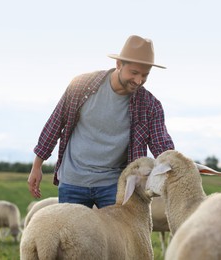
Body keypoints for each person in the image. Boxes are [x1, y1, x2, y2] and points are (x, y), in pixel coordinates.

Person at [27, 35, 174, 209]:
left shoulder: (150, 105)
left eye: (145, 75)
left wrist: (179, 168)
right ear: (119, 64)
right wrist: (37, 166)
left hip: (115, 186)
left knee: (118, 237)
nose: (139, 80)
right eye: (134, 73)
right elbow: (55, 123)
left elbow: (162, 146)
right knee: (73, 236)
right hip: (74, 181)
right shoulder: (82, 85)